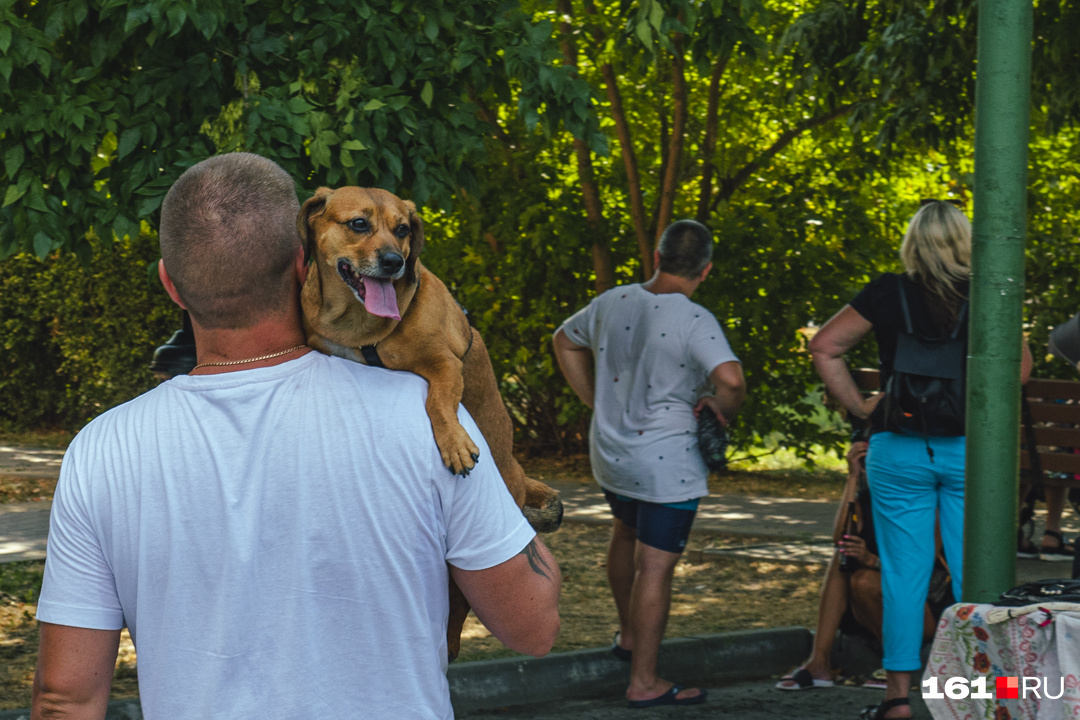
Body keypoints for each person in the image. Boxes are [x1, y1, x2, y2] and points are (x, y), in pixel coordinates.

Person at [31, 153, 561, 720]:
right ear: (304, 266)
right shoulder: (428, 417)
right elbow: (534, 628)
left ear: (170, 284)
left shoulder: (100, 450)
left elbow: (65, 698)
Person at [808, 200, 1032, 720]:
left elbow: (824, 347)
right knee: (973, 576)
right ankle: (981, 695)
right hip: (969, 452)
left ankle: (897, 700)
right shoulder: (987, 291)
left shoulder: (888, 292)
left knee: (903, 577)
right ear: (965, 241)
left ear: (913, 242)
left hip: (898, 448)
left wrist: (861, 405)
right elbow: (1018, 373)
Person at [552, 219, 745, 709]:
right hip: (666, 462)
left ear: (657, 258)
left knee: (624, 533)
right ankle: (644, 683)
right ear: (706, 270)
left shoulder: (613, 301)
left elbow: (564, 340)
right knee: (655, 568)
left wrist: (595, 401)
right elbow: (732, 379)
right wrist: (723, 408)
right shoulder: (695, 320)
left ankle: (629, 636)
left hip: (612, 453)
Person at [776, 441, 953, 691]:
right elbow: (839, 538)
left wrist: (872, 561)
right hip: (871, 606)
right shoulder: (868, 499)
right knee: (841, 557)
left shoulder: (927, 504)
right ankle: (819, 662)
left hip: (923, 610)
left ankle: (899, 662)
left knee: (864, 580)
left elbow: (917, 570)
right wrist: (852, 478)